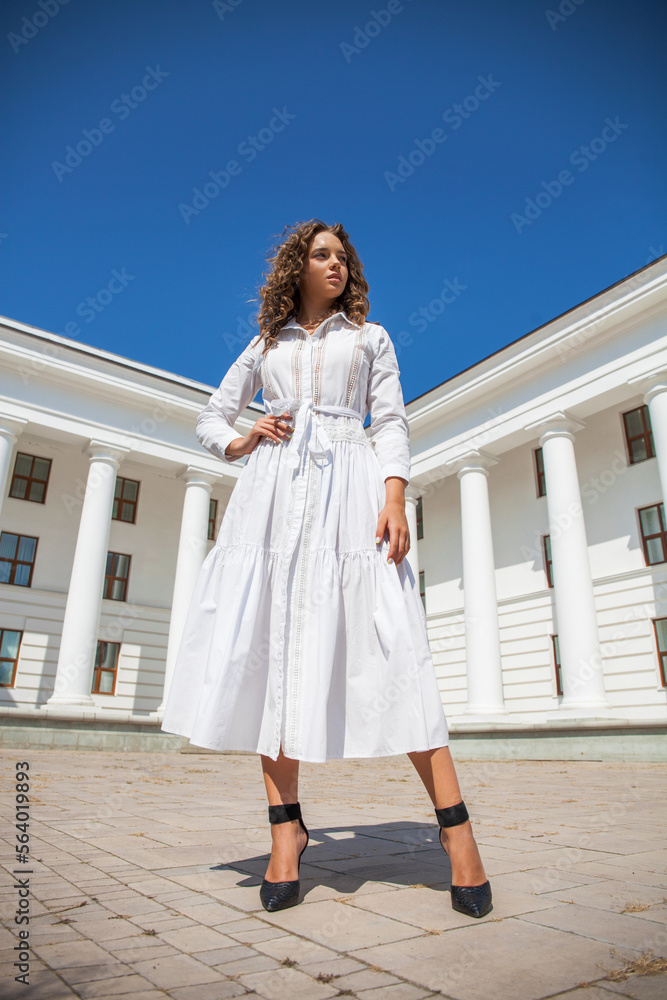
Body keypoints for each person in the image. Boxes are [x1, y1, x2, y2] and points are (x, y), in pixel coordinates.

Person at [161, 219, 492, 919]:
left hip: (351, 490)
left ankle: (455, 830)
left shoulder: (370, 338)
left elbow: (390, 420)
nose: (335, 264)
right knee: (271, 655)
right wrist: (242, 440)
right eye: (321, 255)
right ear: (298, 266)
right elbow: (211, 417)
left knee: (398, 650)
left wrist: (394, 496)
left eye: (342, 256)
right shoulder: (266, 345)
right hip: (271, 500)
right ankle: (286, 834)